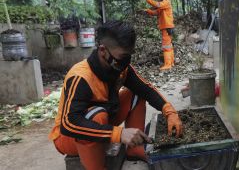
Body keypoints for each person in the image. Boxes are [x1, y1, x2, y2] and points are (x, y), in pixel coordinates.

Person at [48, 21, 183, 170]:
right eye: (122, 56)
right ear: (102, 50)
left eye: (129, 56)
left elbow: (145, 89)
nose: (126, 61)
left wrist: (169, 111)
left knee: (135, 94)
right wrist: (118, 133)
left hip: (103, 123)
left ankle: (135, 149)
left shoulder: (120, 67)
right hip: (69, 138)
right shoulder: (81, 77)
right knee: (96, 114)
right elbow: (70, 123)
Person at [144, 0, 175, 70]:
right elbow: (156, 12)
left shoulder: (166, 2)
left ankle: (168, 64)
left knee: (166, 46)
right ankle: (171, 63)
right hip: (167, 27)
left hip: (167, 27)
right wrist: (148, 11)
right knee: (169, 46)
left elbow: (157, 5)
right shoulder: (163, 5)